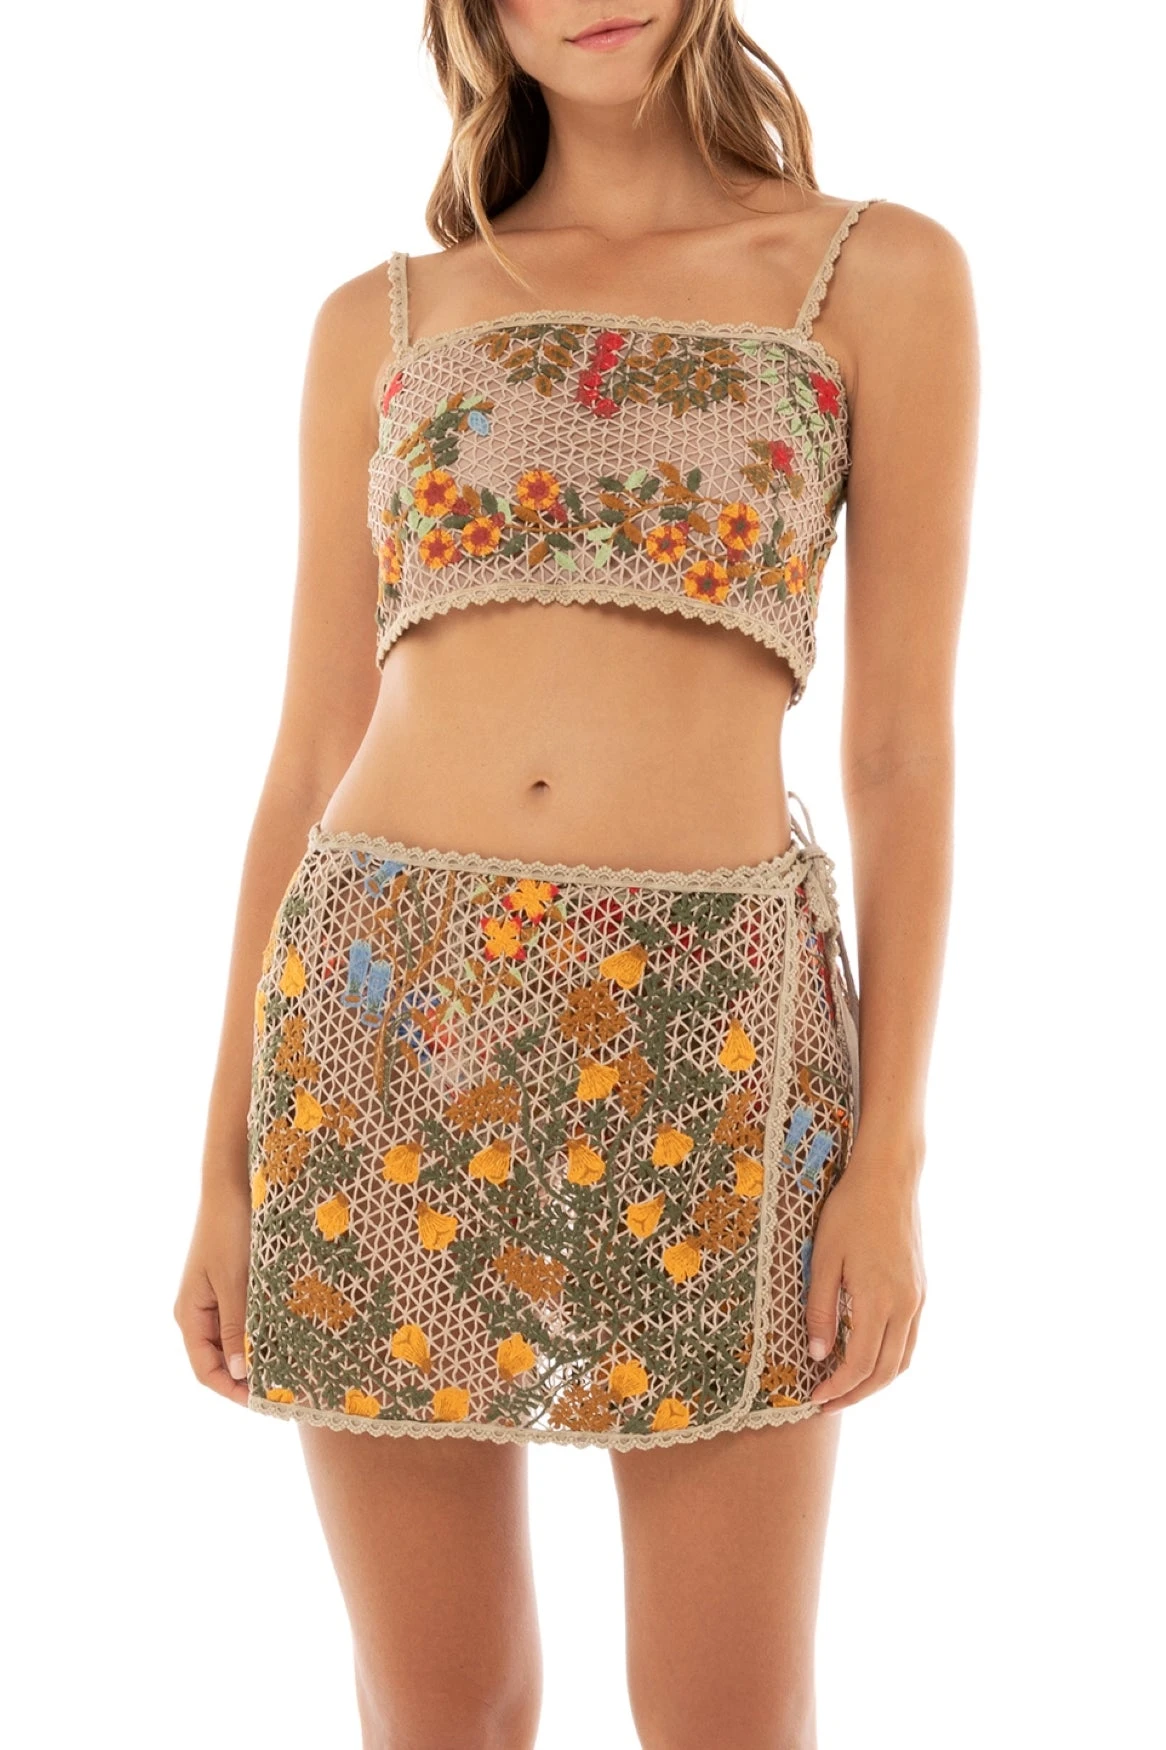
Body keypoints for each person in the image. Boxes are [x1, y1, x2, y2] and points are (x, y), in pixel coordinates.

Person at [174, 4, 978, 1745]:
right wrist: (220, 1161)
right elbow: (307, 754)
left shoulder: (870, 274)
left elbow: (901, 755)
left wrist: (889, 1162)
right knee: (440, 1708)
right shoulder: (386, 317)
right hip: (386, 1025)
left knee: (725, 1714)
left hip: (714, 1040)